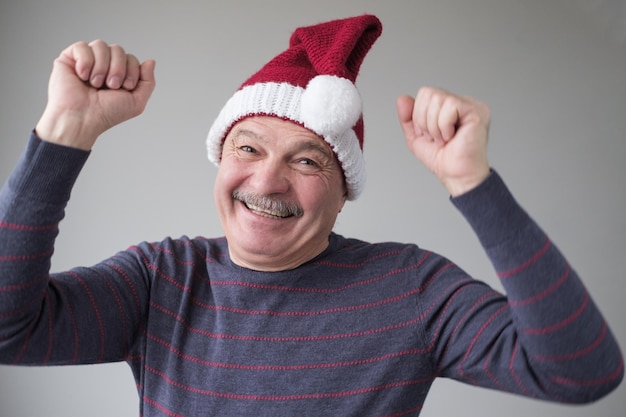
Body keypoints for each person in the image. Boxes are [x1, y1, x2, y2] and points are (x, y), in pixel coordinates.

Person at [0, 14, 622, 417]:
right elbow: (8, 329)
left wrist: (472, 184)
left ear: (343, 188)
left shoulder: (412, 290)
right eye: (247, 148)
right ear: (220, 160)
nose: (267, 180)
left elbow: (581, 370)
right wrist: (64, 134)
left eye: (307, 161)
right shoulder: (164, 278)